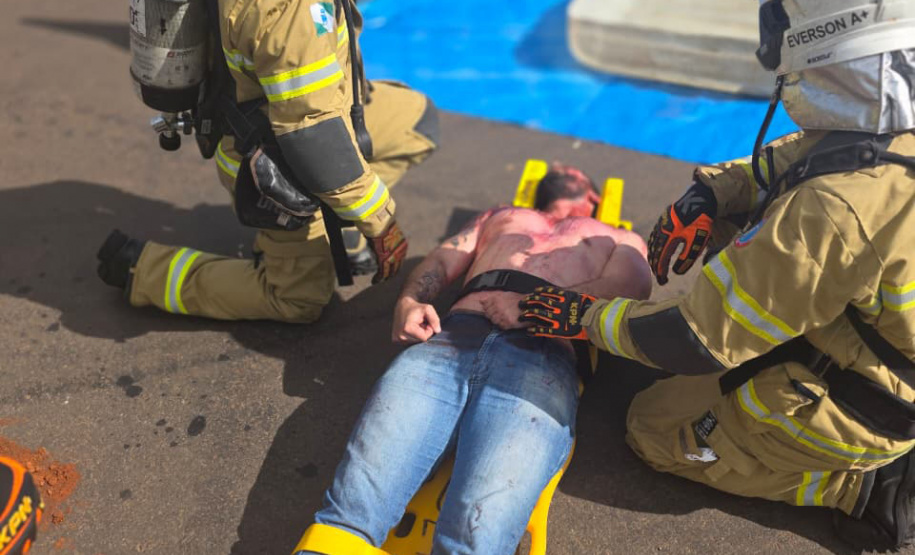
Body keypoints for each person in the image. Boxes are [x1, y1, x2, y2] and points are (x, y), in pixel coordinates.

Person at [519, 0, 915, 550]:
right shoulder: (888, 131)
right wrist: (707, 195)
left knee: (651, 428)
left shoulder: (836, 211)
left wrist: (585, 318)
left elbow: (692, 340)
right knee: (739, 225)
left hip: (868, 401)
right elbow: (804, 155)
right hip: (885, 342)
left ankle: (861, 487)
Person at [291, 165, 652, 555]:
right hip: (448, 341)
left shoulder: (618, 236)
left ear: (593, 197)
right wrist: (410, 299)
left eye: (571, 169)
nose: (561, 167)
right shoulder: (502, 215)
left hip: (540, 359)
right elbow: (445, 258)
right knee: (350, 513)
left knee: (475, 537)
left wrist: (534, 307)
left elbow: (631, 287)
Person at [97, 0, 439, 323]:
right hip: (273, 165)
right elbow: (311, 135)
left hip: (318, 117)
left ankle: (337, 225)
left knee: (416, 123)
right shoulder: (289, 11)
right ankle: (143, 271)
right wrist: (380, 222)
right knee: (296, 302)